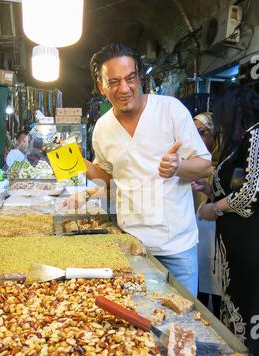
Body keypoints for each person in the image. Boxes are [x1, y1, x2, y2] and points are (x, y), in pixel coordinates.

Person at [65, 42, 211, 296]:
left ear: (140, 77)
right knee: (139, 326)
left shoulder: (170, 110)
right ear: (101, 87)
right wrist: (80, 163)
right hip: (131, 246)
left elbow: (205, 166)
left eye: (130, 78)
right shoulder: (102, 128)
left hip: (176, 247)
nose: (124, 88)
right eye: (113, 82)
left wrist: (179, 166)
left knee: (184, 327)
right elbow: (110, 183)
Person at [198, 85, 259, 356]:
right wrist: (208, 189)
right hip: (235, 247)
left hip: (251, 244)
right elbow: (233, 186)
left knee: (250, 302)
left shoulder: (256, 135)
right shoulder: (241, 140)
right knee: (235, 300)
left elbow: (250, 191)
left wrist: (216, 209)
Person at [192, 113, 221, 317]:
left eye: (201, 133)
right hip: (200, 234)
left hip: (222, 237)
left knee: (219, 288)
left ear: (214, 135)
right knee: (201, 283)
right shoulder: (190, 164)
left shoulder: (228, 162)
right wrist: (209, 190)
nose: (196, 138)